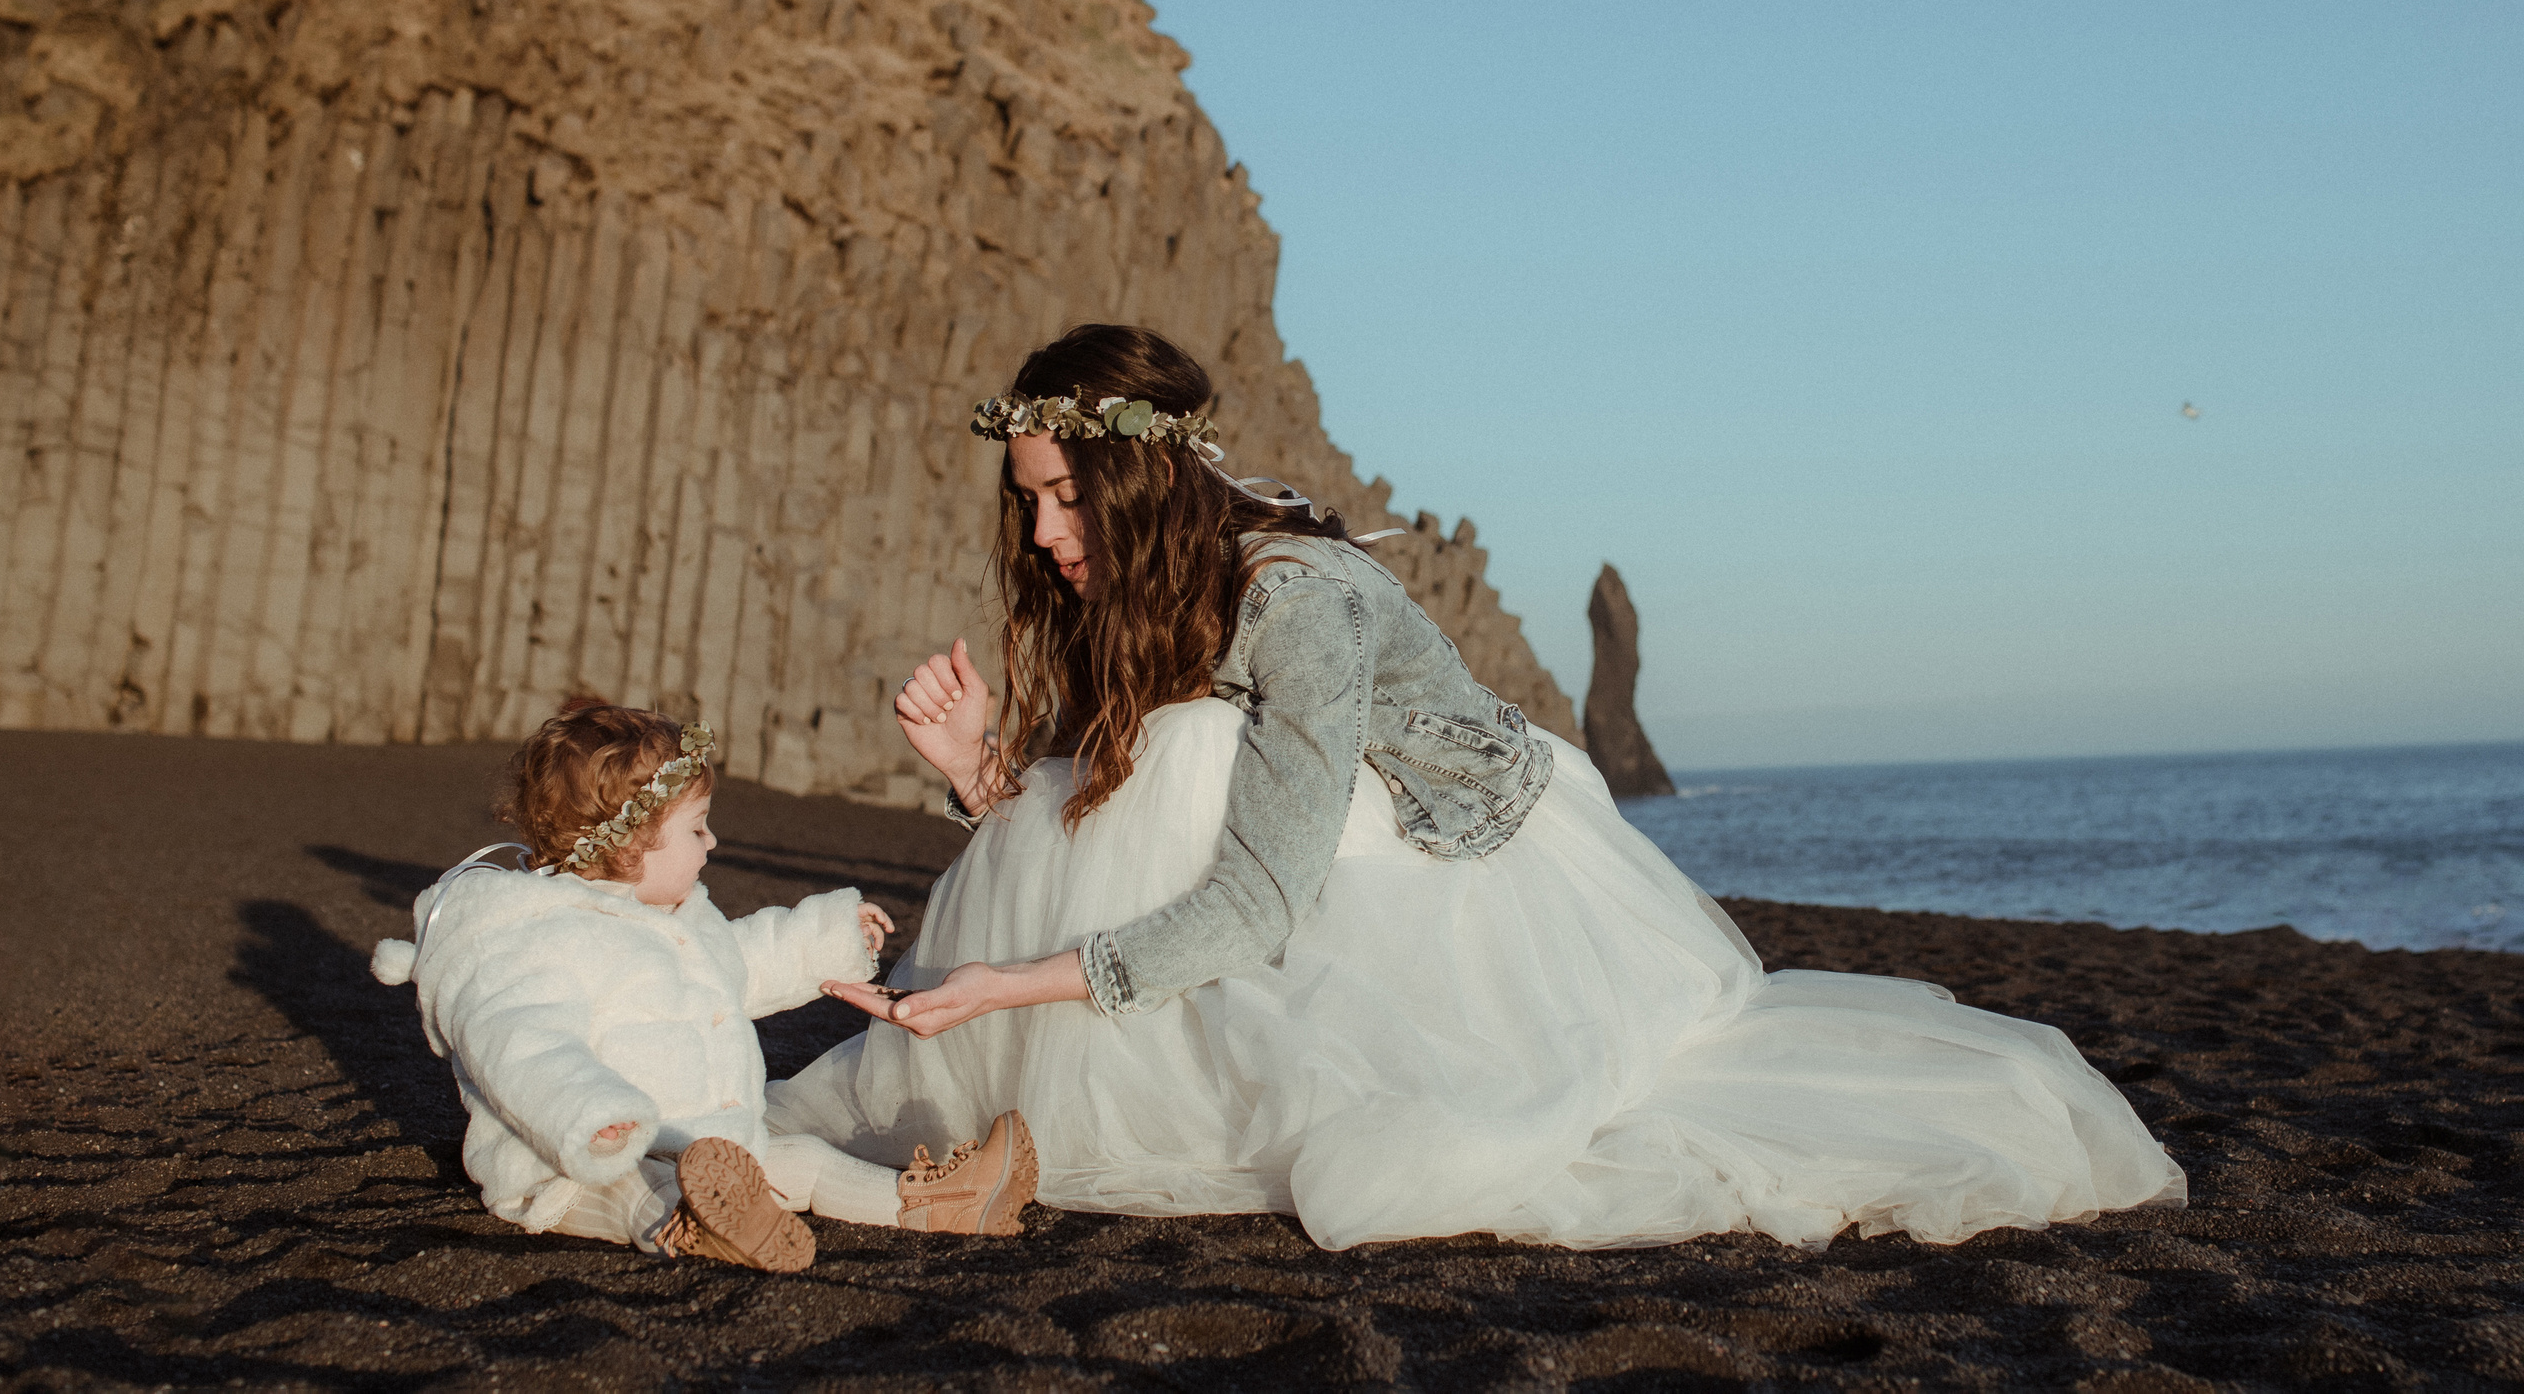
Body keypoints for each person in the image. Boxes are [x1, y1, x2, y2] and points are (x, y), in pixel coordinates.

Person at [771, 325, 2186, 1250]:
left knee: (1451, 1121)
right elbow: (1120, 811)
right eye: (1027, 497)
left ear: (1140, 482)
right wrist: (978, 782)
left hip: (1451, 874)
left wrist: (1011, 980)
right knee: (1162, 758)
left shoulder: (1299, 600)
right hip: (1296, 864)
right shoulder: (1132, 592)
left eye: (1067, 496)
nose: (1043, 528)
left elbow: (1259, 899)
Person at [371, 702, 1038, 1269]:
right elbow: (520, 1042)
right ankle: (689, 1226)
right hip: (569, 1158)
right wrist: (591, 1113)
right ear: (630, 844)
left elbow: (741, 962)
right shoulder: (537, 940)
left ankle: (931, 1202)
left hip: (698, 1143)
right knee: (635, 1185)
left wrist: (824, 938)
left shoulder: (680, 919)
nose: (713, 841)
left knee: (800, 1157)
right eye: (696, 828)